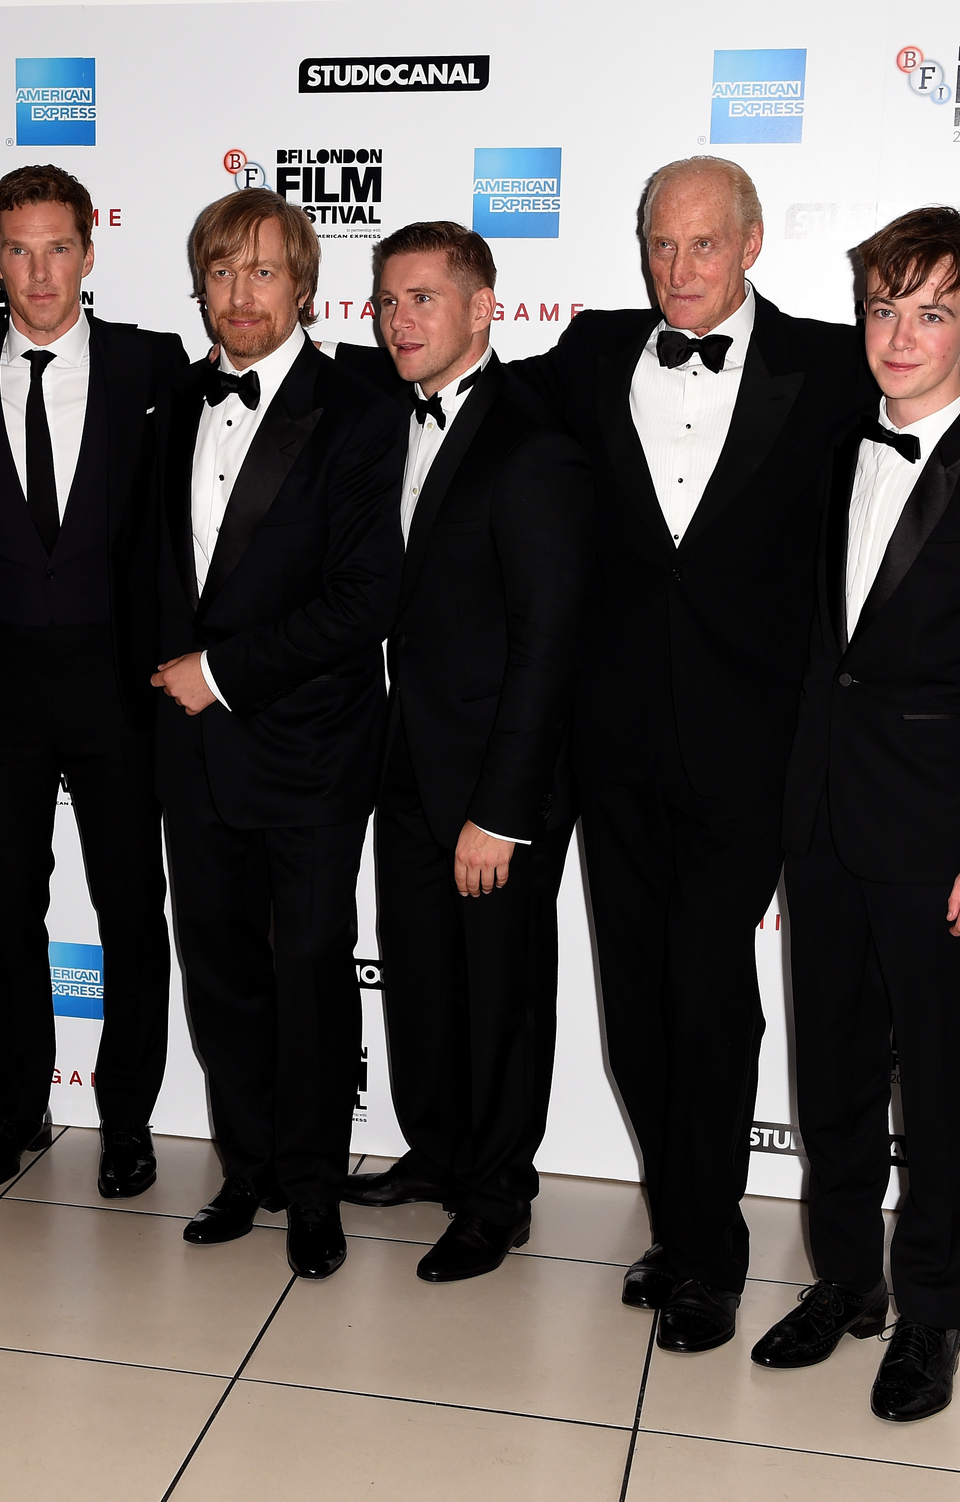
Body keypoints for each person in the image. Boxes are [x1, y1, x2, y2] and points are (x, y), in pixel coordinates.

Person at [508, 157, 960, 1353]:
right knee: (743, 1046)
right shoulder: (605, 355)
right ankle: (796, 1266)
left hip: (814, 790)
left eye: (704, 245)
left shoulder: (851, 382)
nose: (679, 270)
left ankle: (862, 1299)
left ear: (754, 242)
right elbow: (464, 390)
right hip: (691, 776)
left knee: (856, 1059)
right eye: (659, 244)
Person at [751, 208, 960, 1421]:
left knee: (938, 1087)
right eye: (883, 306)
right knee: (828, 1070)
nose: (899, 332)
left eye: (930, 310)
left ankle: (929, 1311)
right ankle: (845, 1280)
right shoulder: (830, 444)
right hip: (822, 819)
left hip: (948, 843)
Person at [148, 189, 402, 1280]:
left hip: (305, 743)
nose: (239, 294)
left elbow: (361, 596)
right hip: (186, 746)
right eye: (220, 271)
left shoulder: (356, 403)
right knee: (218, 969)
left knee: (304, 969)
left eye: (261, 272)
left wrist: (218, 674)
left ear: (302, 284)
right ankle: (244, 1167)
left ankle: (312, 1188)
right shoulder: (168, 398)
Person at [331, 223, 592, 1283]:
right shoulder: (378, 414)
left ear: (484, 308)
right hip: (401, 755)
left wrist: (504, 807)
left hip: (494, 775)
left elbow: (547, 642)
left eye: (424, 299)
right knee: (425, 975)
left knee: (501, 990)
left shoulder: (533, 438)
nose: (400, 321)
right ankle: (437, 1151)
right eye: (387, 300)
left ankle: (497, 1193)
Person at [0, 166, 187, 1195]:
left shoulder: (152, 366)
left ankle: (127, 1119)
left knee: (132, 908)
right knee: (8, 909)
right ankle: (21, 1106)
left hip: (121, 685)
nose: (38, 271)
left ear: (88, 249)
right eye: (17, 249)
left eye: (57, 246)